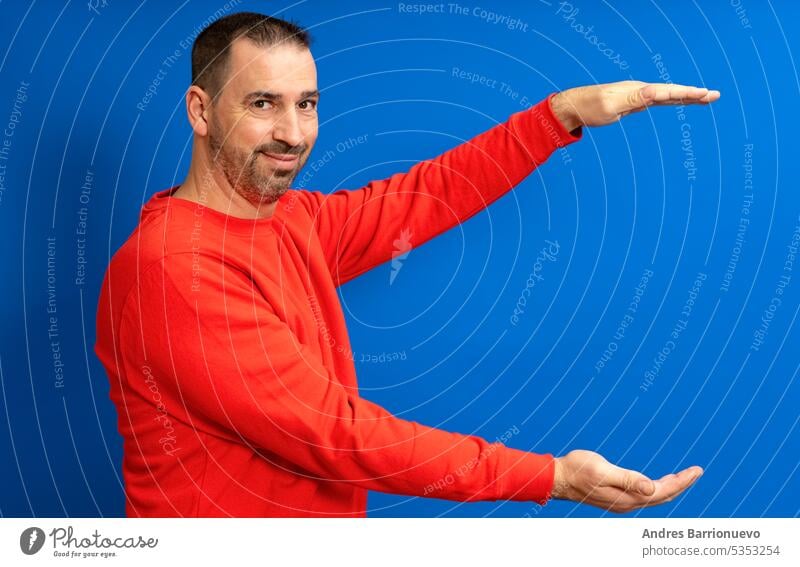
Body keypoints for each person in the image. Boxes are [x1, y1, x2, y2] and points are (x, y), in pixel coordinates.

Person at [95, 11, 720, 517]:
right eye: (263, 104)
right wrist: (551, 477)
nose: (293, 131)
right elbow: (336, 434)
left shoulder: (290, 219)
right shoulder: (174, 269)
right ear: (201, 111)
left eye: (307, 103)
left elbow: (421, 201)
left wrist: (560, 116)